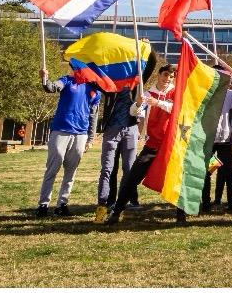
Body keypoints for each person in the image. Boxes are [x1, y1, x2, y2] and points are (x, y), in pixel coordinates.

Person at [104, 64, 176, 224]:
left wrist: (157, 103)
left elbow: (176, 109)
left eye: (171, 77)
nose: (167, 79)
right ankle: (116, 212)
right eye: (165, 75)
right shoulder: (148, 92)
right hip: (152, 145)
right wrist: (137, 104)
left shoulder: (175, 92)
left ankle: (181, 215)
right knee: (131, 178)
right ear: (159, 75)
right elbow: (134, 112)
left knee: (177, 179)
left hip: (171, 144)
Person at [36, 65, 100, 217]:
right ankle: (43, 205)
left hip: (81, 134)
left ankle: (62, 204)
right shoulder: (67, 80)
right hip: (61, 130)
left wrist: (90, 139)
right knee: (52, 168)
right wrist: (44, 78)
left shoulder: (94, 90)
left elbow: (93, 116)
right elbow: (52, 88)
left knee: (71, 172)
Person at [95, 80, 141, 219]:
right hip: (112, 130)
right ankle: (103, 205)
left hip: (130, 130)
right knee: (107, 169)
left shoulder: (136, 81)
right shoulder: (109, 82)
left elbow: (151, 63)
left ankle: (123, 204)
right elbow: (95, 76)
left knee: (129, 169)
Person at [202, 75, 232, 214]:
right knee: (207, 171)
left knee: (229, 172)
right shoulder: (206, 92)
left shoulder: (231, 95)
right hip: (209, 139)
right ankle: (205, 202)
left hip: (225, 140)